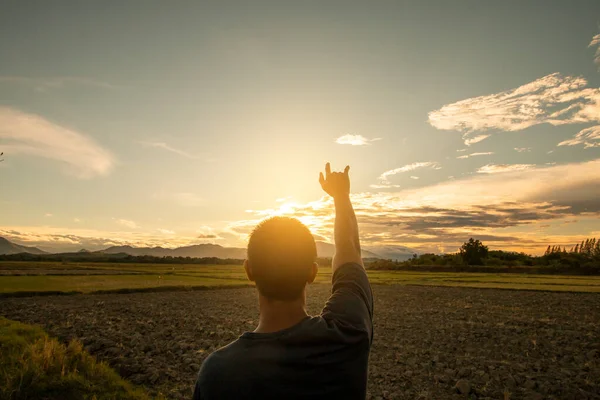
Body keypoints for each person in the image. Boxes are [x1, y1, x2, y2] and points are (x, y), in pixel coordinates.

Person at [192, 163, 374, 399]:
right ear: (313, 272)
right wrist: (341, 196)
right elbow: (350, 249)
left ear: (249, 271)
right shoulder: (348, 334)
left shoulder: (218, 373)